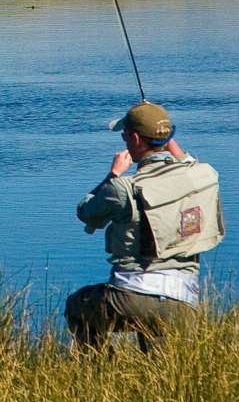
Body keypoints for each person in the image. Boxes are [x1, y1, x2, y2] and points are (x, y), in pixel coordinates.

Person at [66, 100, 223, 352]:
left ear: (136, 139)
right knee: (162, 372)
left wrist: (113, 174)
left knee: (78, 306)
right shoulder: (204, 176)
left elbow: (86, 212)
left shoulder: (123, 189)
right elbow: (185, 161)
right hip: (184, 302)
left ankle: (99, 374)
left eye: (126, 136)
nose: (125, 141)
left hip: (131, 298)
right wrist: (165, 133)